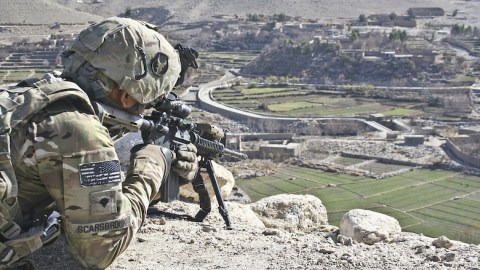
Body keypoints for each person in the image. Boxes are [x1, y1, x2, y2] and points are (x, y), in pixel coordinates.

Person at [0, 17, 198, 269]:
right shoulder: (79, 130)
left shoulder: (33, 97)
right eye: (146, 103)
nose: (144, 110)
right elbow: (100, 251)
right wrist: (153, 166)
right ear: (125, 95)